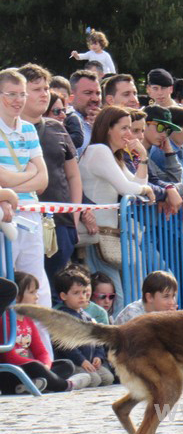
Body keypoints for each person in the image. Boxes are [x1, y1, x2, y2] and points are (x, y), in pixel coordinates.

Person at [78, 106, 155, 313]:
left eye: (131, 128)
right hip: (96, 236)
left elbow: (136, 185)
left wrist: (143, 157)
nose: (129, 134)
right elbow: (130, 188)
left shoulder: (113, 156)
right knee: (113, 297)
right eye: (124, 128)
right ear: (108, 129)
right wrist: (146, 189)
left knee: (120, 295)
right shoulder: (99, 151)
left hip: (108, 236)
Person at [17, 64, 82, 294]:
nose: (45, 94)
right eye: (36, 89)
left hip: (60, 223)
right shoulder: (6, 131)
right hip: (21, 220)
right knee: (23, 290)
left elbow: (73, 175)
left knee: (52, 291)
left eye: (46, 88)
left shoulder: (57, 128)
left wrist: (74, 215)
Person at [0, 68, 52, 311]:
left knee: (35, 284)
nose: (18, 100)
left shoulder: (29, 129)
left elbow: (43, 181)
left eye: (22, 94)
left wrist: (15, 179)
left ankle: (42, 346)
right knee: (5, 280)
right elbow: (3, 179)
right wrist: (30, 172)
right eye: (12, 94)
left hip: (29, 213)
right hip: (5, 215)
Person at [0, 272, 91, 394]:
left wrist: (46, 366)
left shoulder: (28, 320)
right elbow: (9, 357)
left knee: (66, 364)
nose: (36, 296)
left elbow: (41, 351)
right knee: (35, 367)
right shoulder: (4, 320)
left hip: (32, 368)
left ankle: (31, 385)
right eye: (32, 292)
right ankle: (66, 385)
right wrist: (40, 367)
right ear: (16, 296)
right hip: (12, 371)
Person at [53, 269, 115, 387]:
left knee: (108, 378)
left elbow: (97, 340)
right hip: (74, 363)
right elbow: (67, 346)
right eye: (76, 293)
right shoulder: (63, 317)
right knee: (94, 380)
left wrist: (98, 356)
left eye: (84, 292)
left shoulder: (87, 316)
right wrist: (81, 361)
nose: (82, 297)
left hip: (89, 362)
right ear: (63, 296)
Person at [114, 270, 179, 324]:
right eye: (166, 296)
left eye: (173, 296)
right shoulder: (133, 314)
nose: (172, 302)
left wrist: (172, 319)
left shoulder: (159, 312)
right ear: (149, 297)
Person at [65, 69, 101, 155]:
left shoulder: (104, 122)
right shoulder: (64, 122)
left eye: (98, 93)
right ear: (71, 95)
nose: (95, 99)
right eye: (88, 93)